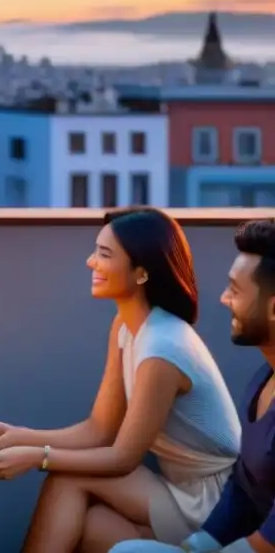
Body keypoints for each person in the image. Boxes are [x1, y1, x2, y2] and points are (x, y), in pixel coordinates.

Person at [0, 207, 241, 553]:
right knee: (92, 526)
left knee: (67, 479)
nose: (90, 262)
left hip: (210, 502)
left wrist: (35, 456)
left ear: (141, 273)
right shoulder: (127, 327)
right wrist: (18, 437)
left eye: (103, 254)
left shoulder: (162, 348)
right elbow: (99, 428)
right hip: (176, 489)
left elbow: (122, 458)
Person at [109, 218, 275, 552]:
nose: (224, 299)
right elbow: (244, 488)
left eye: (235, 290)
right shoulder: (262, 381)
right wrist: (199, 544)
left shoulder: (163, 346)